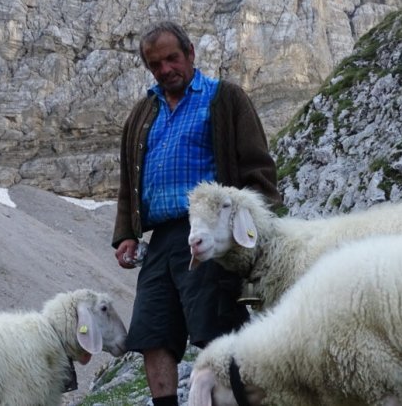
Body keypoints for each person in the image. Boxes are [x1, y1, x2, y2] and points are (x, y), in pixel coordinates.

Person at [112, 21, 281, 406]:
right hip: (161, 240)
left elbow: (258, 167)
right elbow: (129, 180)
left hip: (210, 231)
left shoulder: (224, 98)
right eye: (156, 64)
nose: (166, 69)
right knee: (152, 333)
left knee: (216, 327)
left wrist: (247, 232)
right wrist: (126, 233)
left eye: (173, 58)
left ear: (190, 54)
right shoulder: (143, 113)